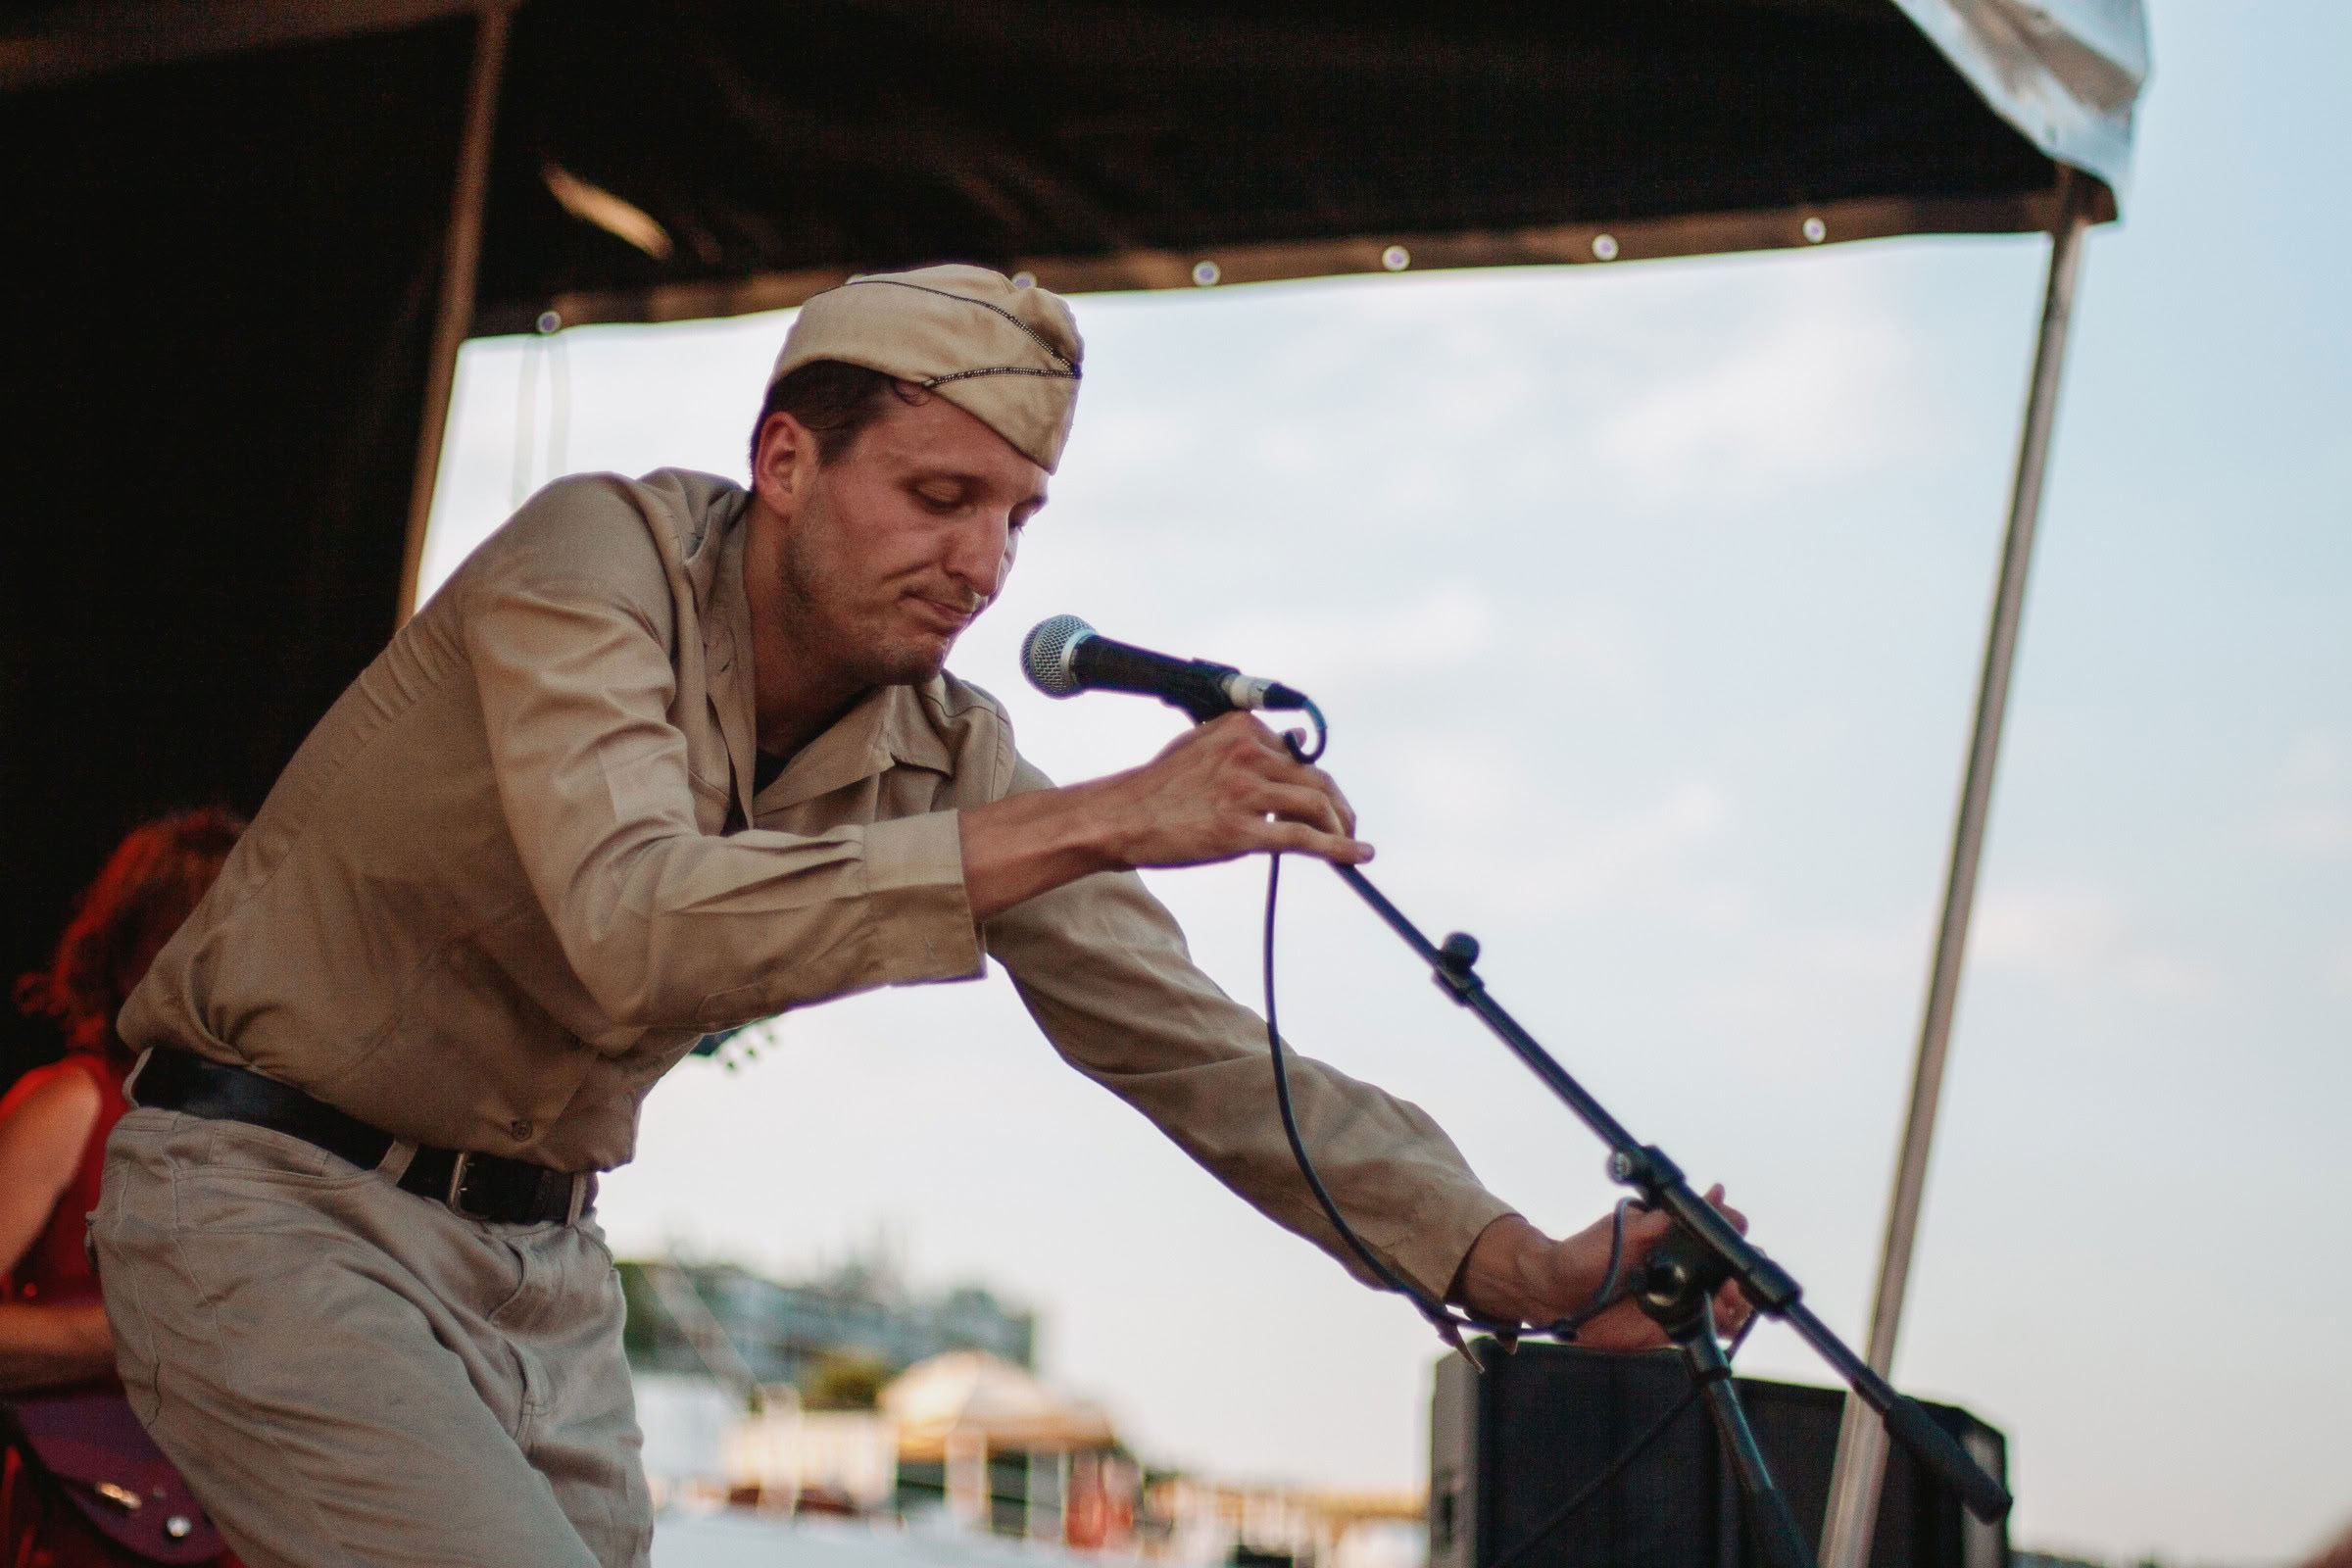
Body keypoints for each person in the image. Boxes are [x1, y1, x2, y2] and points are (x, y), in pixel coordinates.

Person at [95, 265, 1748, 1568]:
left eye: (1020, 516)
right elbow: (635, 920)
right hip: (270, 1200)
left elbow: (1191, 1051)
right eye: (941, 495)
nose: (983, 563)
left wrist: (1508, 1256)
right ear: (785, 461)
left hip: (539, 1265)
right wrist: (1106, 810)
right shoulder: (592, 556)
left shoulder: (946, 748)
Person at [3, 808, 244, 1566]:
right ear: (123, 955)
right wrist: (148, 1334)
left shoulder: (277, 1134)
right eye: (179, 934)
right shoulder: (76, 1101)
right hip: (93, 1521)